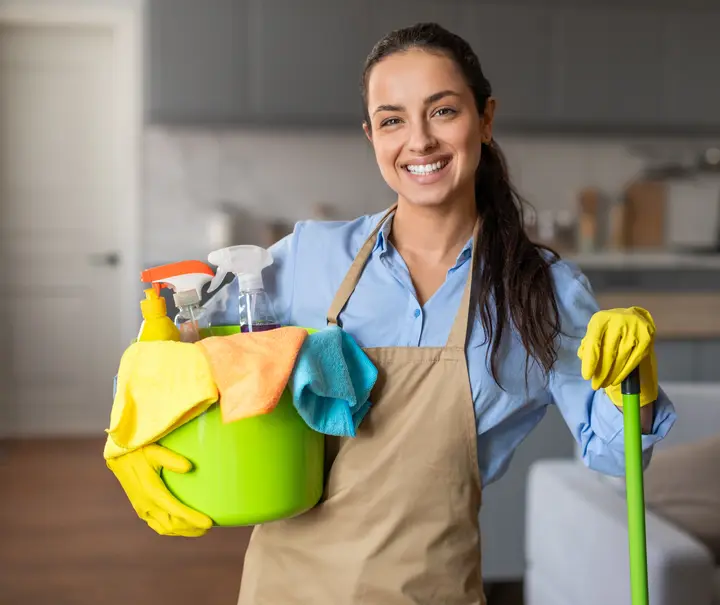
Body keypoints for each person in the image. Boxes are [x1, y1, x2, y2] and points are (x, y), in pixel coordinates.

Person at [152, 22, 675, 604]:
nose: (419, 141)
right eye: (393, 119)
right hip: (287, 587)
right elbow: (186, 353)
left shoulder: (541, 291)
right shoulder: (307, 259)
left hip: (433, 590)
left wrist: (639, 381)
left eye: (443, 111)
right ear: (372, 135)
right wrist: (141, 414)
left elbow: (615, 455)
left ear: (486, 119)